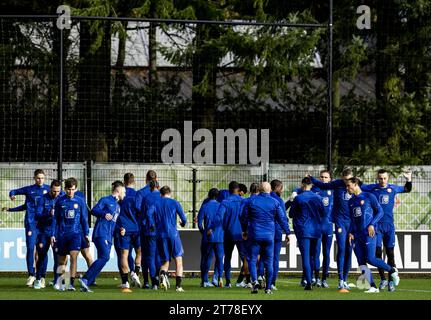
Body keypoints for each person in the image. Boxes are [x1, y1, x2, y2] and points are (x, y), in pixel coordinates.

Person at [346, 177, 400, 293]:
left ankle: (392, 270)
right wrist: (350, 232)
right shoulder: (350, 201)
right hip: (357, 235)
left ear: (355, 184)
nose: (347, 188)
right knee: (361, 262)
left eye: (348, 186)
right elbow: (352, 219)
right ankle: (373, 287)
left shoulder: (369, 196)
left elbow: (380, 212)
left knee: (370, 258)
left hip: (368, 233)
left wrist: (371, 224)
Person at [361, 169, 412, 291]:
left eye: (384, 178)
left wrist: (409, 179)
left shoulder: (393, 188)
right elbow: (358, 186)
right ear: (377, 178)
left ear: (387, 178)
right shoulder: (373, 188)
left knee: (390, 254)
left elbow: (407, 189)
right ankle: (383, 280)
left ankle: (391, 282)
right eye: (380, 178)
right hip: (376, 226)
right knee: (377, 254)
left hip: (389, 227)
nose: (382, 180)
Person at [309, 168, 354, 289]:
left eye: (349, 180)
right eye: (345, 180)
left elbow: (368, 192)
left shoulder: (357, 185)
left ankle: (345, 279)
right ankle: (339, 280)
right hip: (339, 222)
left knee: (349, 251)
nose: (346, 183)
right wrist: (311, 178)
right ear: (341, 178)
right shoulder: (337, 185)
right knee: (342, 248)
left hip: (353, 223)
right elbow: (321, 186)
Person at [242, 182, 290, 294]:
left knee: (252, 259)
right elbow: (282, 219)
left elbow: (244, 217)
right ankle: (268, 288)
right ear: (269, 190)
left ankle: (254, 282)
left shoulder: (251, 201)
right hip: (269, 236)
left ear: (259, 189)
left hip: (255, 235)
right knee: (269, 261)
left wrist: (244, 230)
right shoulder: (275, 202)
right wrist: (288, 233)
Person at [4, 169, 50, 286]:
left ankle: (42, 277)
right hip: (31, 223)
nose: (40, 180)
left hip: (44, 224)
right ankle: (31, 275)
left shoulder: (49, 190)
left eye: (42, 178)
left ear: (45, 179)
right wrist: (12, 195)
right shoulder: (29, 189)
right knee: (30, 248)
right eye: (38, 178)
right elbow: (14, 191)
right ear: (34, 178)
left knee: (42, 251)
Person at [79, 181, 125, 293]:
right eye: (124, 191)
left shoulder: (118, 206)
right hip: (101, 233)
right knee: (105, 257)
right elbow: (94, 210)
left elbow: (113, 222)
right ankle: (85, 279)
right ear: (118, 191)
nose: (125, 194)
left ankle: (86, 283)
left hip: (109, 236)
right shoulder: (106, 200)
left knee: (103, 259)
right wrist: (103, 214)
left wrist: (120, 228)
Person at [52, 177, 89, 291]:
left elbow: (84, 219)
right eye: (68, 189)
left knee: (74, 257)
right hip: (62, 235)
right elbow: (55, 219)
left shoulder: (80, 201)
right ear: (65, 189)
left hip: (76, 234)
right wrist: (53, 234)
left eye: (73, 189)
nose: (70, 192)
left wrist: (86, 233)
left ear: (76, 189)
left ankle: (71, 284)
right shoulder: (59, 201)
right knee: (62, 261)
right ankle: (64, 282)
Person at [148, 186, 187, 292]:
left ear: (161, 194)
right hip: (173, 235)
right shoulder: (174, 203)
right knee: (179, 261)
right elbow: (184, 218)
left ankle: (162, 275)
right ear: (170, 193)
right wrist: (182, 223)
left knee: (165, 262)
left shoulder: (156, 203)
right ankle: (178, 286)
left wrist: (152, 225)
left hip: (160, 235)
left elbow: (148, 214)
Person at [289, 177, 325, 291]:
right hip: (316, 229)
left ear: (302, 184)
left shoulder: (298, 198)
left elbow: (291, 214)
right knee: (314, 255)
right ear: (312, 185)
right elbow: (324, 213)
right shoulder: (318, 198)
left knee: (305, 256)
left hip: (304, 230)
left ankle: (309, 281)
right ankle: (317, 278)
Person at [33, 180, 63, 289]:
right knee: (41, 255)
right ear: (50, 188)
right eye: (54, 191)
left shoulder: (62, 198)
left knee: (58, 257)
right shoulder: (42, 199)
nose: (56, 193)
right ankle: (38, 279)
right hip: (43, 232)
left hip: (57, 233)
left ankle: (57, 281)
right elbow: (37, 215)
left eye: (58, 191)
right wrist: (48, 213)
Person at [116, 175, 142, 290]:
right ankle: (136, 273)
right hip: (136, 229)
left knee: (124, 255)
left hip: (124, 230)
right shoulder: (136, 196)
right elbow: (140, 212)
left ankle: (126, 281)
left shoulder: (119, 200)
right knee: (139, 252)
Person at [219, 181, 247, 288]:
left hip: (228, 233)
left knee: (227, 257)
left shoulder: (225, 202)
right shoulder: (244, 201)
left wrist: (221, 227)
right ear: (239, 190)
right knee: (245, 258)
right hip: (242, 234)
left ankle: (228, 282)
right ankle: (246, 280)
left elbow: (219, 217)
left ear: (229, 189)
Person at [312, 170, 334, 288]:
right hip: (317, 226)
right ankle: (316, 278)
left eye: (326, 177)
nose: (323, 179)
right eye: (321, 177)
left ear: (330, 179)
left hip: (329, 226)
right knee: (316, 252)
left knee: (326, 253)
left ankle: (324, 278)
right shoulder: (314, 190)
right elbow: (301, 190)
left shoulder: (333, 191)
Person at [135, 170, 158, 286]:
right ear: (156, 179)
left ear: (146, 179)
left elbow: (138, 209)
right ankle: (156, 280)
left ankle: (146, 281)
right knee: (157, 256)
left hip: (145, 228)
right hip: (160, 229)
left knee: (146, 255)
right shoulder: (161, 194)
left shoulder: (141, 193)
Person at [268, 179, 291, 291]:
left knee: (263, 257)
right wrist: (287, 232)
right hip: (276, 232)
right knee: (275, 258)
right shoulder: (279, 201)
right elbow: (282, 217)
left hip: (265, 231)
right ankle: (272, 282)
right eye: (281, 188)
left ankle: (260, 278)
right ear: (276, 188)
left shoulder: (264, 199)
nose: (282, 191)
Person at [140, 180, 162, 289]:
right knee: (158, 256)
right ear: (159, 186)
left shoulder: (146, 198)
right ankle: (156, 279)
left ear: (150, 187)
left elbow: (145, 213)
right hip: (161, 231)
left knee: (148, 256)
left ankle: (148, 282)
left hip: (148, 231)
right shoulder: (162, 197)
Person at [200, 188, 223, 288]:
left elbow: (199, 222)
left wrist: (203, 232)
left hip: (208, 236)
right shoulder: (221, 206)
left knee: (206, 258)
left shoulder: (205, 206)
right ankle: (217, 278)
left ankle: (204, 280)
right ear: (218, 196)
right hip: (220, 236)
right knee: (219, 258)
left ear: (209, 195)